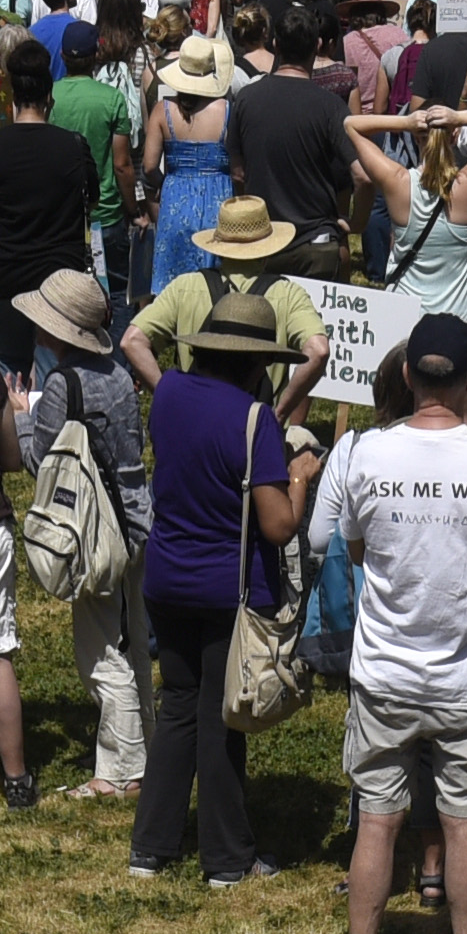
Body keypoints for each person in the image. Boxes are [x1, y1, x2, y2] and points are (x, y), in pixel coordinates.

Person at [321, 317, 467, 934]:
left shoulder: (364, 455)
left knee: (376, 823)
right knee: (463, 824)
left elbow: (355, 548)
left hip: (386, 673)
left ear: (407, 374)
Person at [130, 301, 304, 893]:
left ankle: (150, 847)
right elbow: (278, 525)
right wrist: (301, 481)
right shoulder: (256, 419)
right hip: (223, 591)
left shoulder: (170, 392)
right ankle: (228, 859)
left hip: (164, 577)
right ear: (257, 362)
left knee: (178, 706)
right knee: (220, 717)